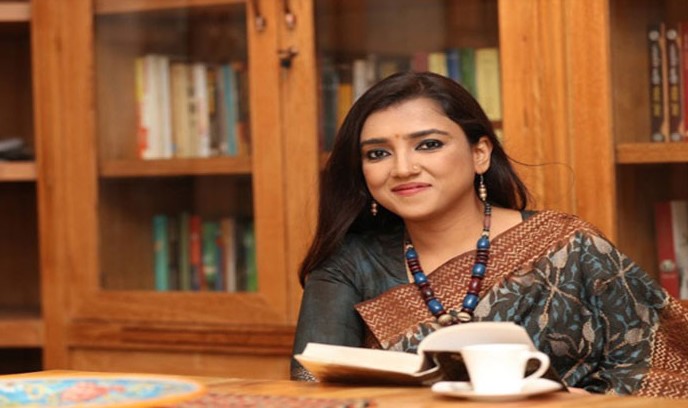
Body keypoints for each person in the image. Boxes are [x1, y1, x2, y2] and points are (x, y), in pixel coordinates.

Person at [291, 71, 688, 398]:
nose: (403, 168)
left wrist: (574, 402)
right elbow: (312, 390)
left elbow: (666, 372)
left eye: (428, 145)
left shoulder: (568, 245)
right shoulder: (348, 264)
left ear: (480, 153)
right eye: (378, 153)